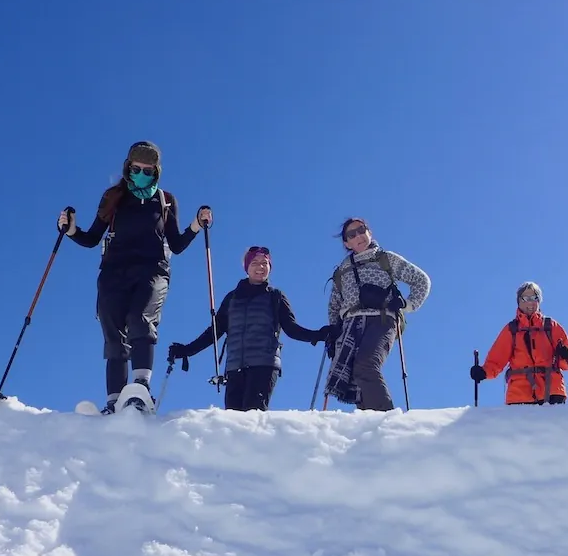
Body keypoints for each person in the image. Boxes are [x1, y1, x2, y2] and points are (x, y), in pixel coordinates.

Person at [57, 140, 211, 414]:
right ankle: (114, 402)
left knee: (141, 319)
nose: (142, 173)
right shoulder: (113, 197)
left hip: (153, 271)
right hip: (113, 273)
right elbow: (92, 238)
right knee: (113, 334)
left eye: (148, 170)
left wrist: (196, 226)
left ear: (156, 172)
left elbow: (176, 244)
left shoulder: (165, 200)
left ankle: (140, 391)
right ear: (128, 167)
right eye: (137, 168)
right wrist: (71, 231)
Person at [168, 246, 330, 411]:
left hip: (264, 364)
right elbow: (214, 331)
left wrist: (318, 335)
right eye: (255, 263)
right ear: (246, 267)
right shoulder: (232, 298)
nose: (260, 267)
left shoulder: (275, 296)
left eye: (264, 263)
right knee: (233, 420)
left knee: (252, 416)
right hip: (234, 367)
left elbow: (291, 328)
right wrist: (187, 350)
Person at [323, 217, 431, 411]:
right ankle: (371, 426)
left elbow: (421, 280)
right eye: (351, 234)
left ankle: (387, 420)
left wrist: (408, 304)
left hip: (382, 319)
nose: (358, 236)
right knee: (354, 374)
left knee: (365, 365)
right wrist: (333, 333)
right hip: (350, 325)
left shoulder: (385, 259)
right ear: (347, 243)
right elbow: (334, 306)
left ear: (369, 232)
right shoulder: (341, 271)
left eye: (361, 230)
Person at [471, 282, 568, 405]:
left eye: (535, 298)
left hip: (552, 393)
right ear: (519, 301)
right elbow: (496, 359)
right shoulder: (512, 330)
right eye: (526, 298)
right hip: (520, 395)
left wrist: (567, 356)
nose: (530, 302)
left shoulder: (551, 326)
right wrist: (484, 372)